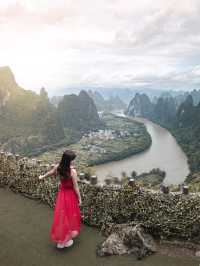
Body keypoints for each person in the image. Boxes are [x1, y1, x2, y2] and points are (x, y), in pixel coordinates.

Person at [39, 150, 82, 249]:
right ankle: (66, 240)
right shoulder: (72, 171)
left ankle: (61, 240)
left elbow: (51, 172)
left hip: (62, 195)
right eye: (72, 160)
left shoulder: (59, 167)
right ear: (69, 161)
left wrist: (42, 177)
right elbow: (76, 187)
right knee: (70, 215)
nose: (73, 162)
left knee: (62, 216)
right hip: (70, 195)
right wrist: (79, 198)